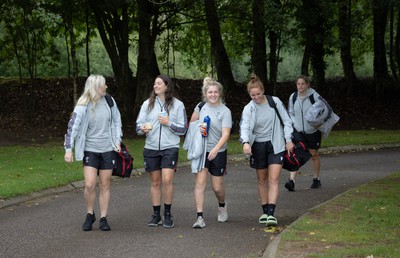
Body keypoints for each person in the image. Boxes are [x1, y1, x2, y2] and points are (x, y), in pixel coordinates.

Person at [64, 74, 122, 231]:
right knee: (89, 184)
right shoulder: (83, 105)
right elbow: (72, 128)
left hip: (108, 149)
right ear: (96, 87)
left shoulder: (109, 101)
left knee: (105, 184)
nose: (106, 87)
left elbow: (117, 121)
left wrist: (117, 140)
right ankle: (90, 214)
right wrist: (68, 149)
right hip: (90, 149)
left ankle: (104, 217)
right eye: (104, 85)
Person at [240, 74, 293, 227]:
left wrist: (288, 140)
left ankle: (271, 213)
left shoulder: (274, 102)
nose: (256, 97)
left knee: (274, 179)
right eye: (253, 95)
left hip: (275, 144)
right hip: (258, 145)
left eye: (258, 94)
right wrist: (245, 142)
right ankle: (264, 211)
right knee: (262, 179)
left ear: (263, 91)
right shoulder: (248, 108)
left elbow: (287, 121)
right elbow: (245, 126)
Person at [136, 75, 187, 228]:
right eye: (154, 83)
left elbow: (183, 128)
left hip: (170, 147)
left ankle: (167, 214)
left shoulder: (178, 105)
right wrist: (142, 129)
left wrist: (168, 123)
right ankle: (156, 214)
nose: (155, 86)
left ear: (167, 86)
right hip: (151, 147)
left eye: (159, 83)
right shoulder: (147, 104)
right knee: (155, 182)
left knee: (167, 180)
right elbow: (138, 126)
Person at [186, 77, 232, 229]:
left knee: (217, 187)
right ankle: (199, 218)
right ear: (205, 94)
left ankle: (222, 205)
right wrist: (198, 127)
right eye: (210, 92)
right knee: (200, 183)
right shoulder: (201, 107)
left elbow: (226, 135)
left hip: (218, 151)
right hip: (201, 150)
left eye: (215, 92)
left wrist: (215, 149)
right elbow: (191, 125)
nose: (213, 95)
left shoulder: (225, 111)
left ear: (220, 93)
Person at [285, 75, 322, 191]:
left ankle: (316, 179)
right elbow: (290, 112)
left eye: (302, 84)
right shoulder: (293, 96)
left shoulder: (314, 96)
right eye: (298, 84)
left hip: (312, 131)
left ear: (307, 85)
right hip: (298, 131)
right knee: (295, 153)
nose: (300, 86)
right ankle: (291, 181)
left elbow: (324, 110)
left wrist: (317, 123)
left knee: (313, 154)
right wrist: (295, 124)